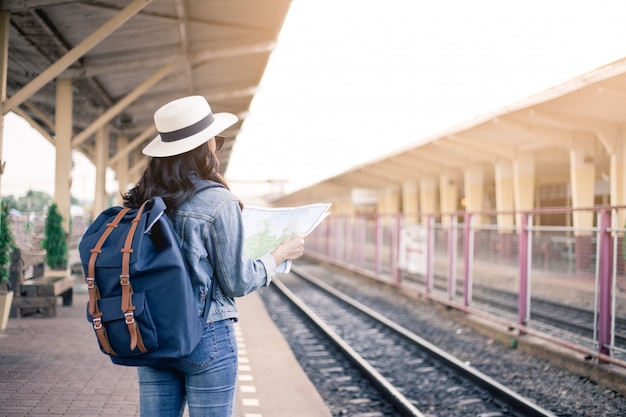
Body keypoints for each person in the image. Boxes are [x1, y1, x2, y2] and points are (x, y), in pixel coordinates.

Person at [123, 95, 305, 417]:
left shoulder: (141, 199)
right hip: (205, 333)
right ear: (204, 147)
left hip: (152, 331)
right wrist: (278, 255)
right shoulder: (217, 201)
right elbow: (238, 281)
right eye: (215, 141)